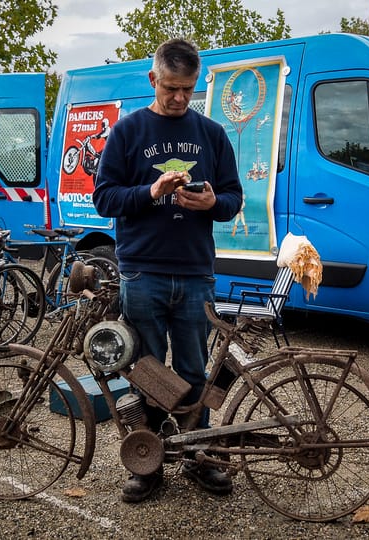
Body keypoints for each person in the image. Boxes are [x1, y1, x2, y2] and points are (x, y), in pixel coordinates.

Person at [92, 38, 243, 504]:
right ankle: (150, 463)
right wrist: (152, 191)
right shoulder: (127, 132)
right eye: (171, 88)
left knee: (196, 371)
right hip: (142, 272)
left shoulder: (213, 134)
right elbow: (104, 199)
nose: (180, 98)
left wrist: (213, 201)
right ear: (153, 80)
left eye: (189, 89)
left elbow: (235, 198)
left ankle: (201, 458)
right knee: (148, 372)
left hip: (196, 272)